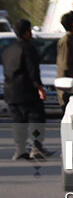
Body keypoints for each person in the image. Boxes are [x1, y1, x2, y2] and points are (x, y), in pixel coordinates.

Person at [4, 19, 52, 160]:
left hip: (11, 92)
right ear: (26, 32)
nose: (31, 33)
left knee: (18, 121)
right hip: (27, 92)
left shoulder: (8, 50)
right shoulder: (28, 48)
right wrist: (39, 87)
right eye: (30, 30)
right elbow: (33, 70)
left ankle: (20, 149)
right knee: (36, 118)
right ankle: (36, 147)